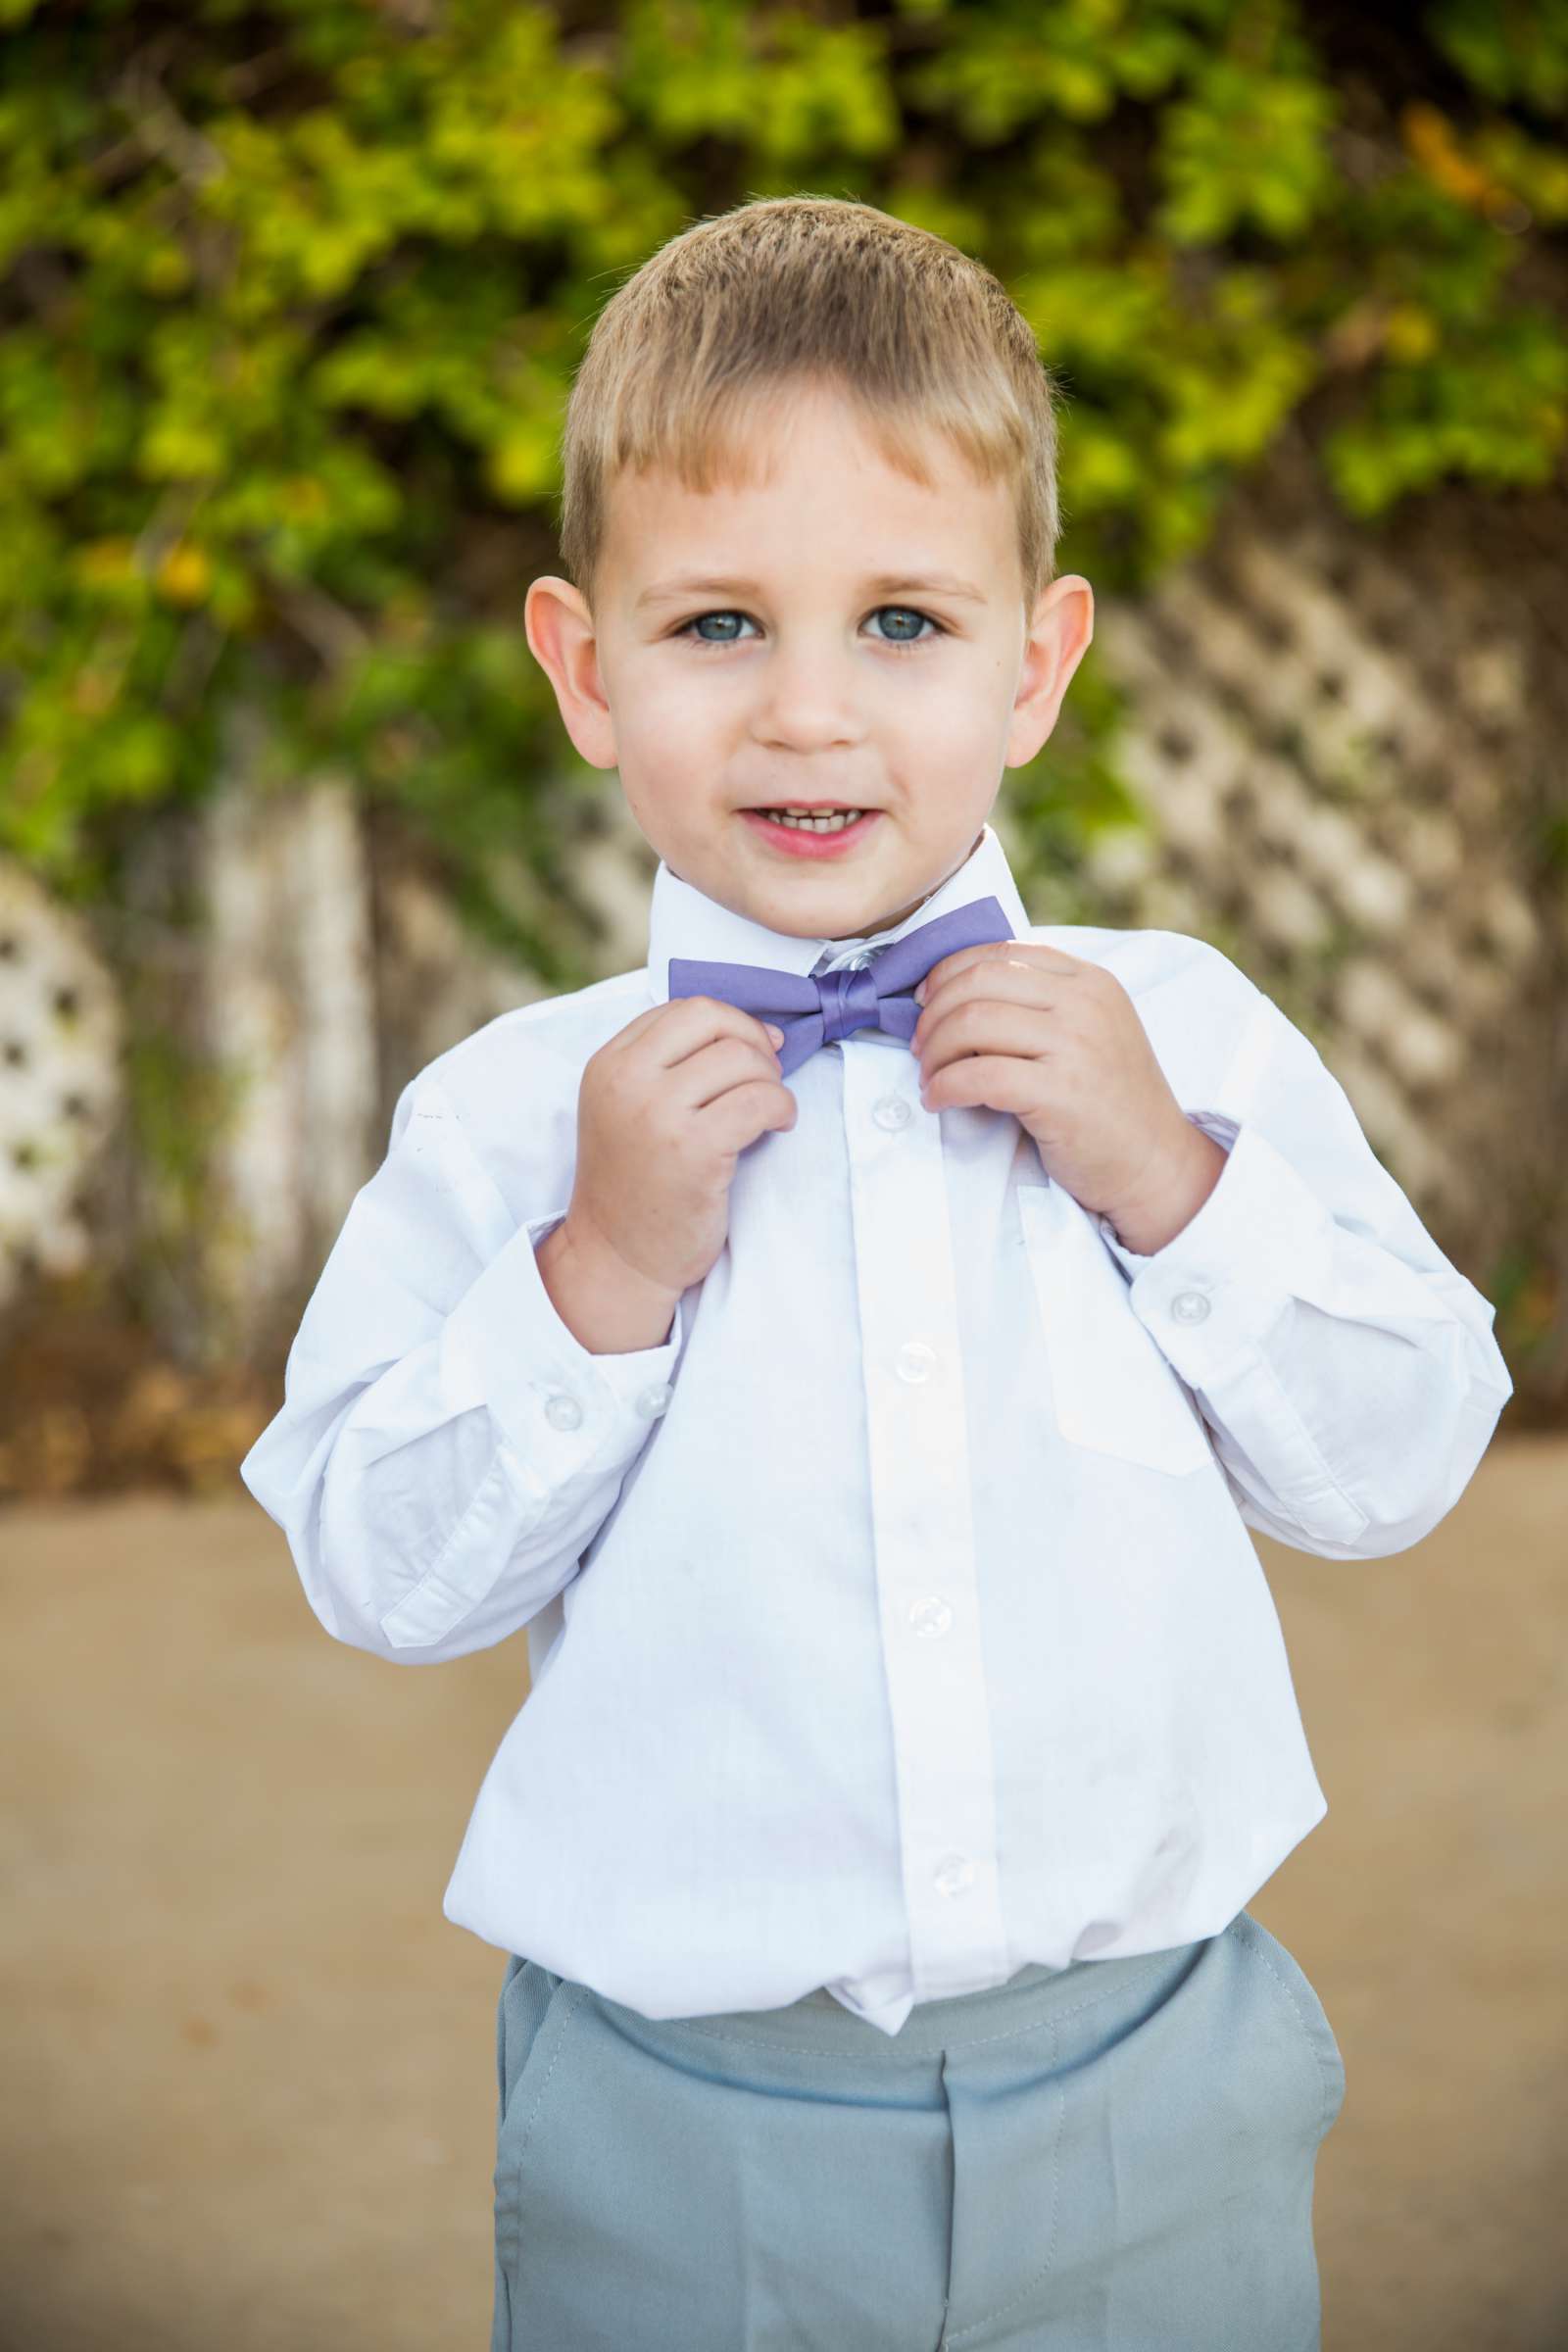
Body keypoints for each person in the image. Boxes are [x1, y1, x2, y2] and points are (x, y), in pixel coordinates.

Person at [239, 195, 1514, 2351]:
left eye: (903, 623)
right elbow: (378, 1571)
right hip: (682, 2122)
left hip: (1155, 2084)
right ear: (580, 670)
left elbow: (1396, 1457)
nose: (806, 715)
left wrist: (1168, 1186)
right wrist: (596, 1270)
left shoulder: (1180, 1036)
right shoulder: (506, 1113)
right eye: (716, 624)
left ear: (1034, 664)